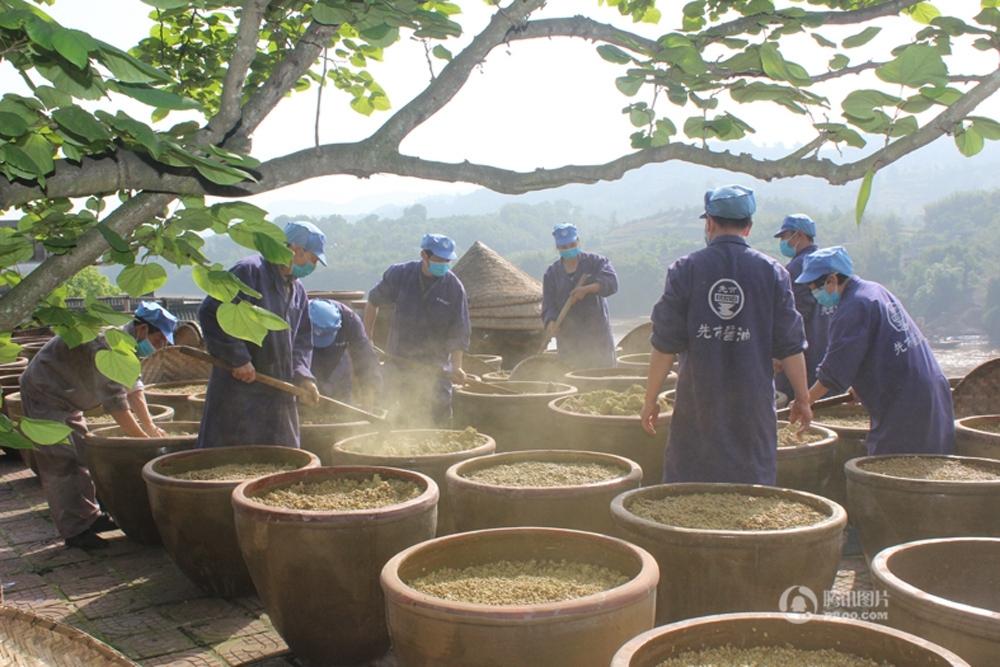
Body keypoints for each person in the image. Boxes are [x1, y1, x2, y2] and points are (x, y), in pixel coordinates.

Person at [640, 185, 813, 485]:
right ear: (749, 226)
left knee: (690, 494)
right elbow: (791, 346)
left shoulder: (685, 270)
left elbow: (664, 344)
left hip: (698, 409)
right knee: (750, 494)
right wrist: (803, 399)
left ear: (709, 222)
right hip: (752, 411)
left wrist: (650, 399)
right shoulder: (773, 273)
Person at [19, 301, 178, 549]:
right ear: (144, 330)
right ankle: (75, 531)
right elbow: (116, 404)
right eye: (160, 340)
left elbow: (134, 390)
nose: (161, 346)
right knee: (62, 461)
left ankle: (89, 517)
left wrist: (150, 428)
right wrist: (142, 440)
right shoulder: (106, 344)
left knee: (83, 456)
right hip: (45, 392)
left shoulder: (127, 344)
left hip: (68, 398)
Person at [794, 246, 954, 455]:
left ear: (832, 280)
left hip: (905, 400)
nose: (814, 293)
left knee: (893, 466)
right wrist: (861, 384)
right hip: (926, 387)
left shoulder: (853, 306)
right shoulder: (874, 290)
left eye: (814, 287)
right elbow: (877, 347)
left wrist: (804, 401)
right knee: (929, 459)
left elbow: (833, 371)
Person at [197, 221, 323, 449]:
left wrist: (304, 376)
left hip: (279, 392)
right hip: (240, 390)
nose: (312, 266)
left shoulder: (297, 290)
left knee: (281, 459)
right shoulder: (249, 271)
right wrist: (238, 358)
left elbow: (302, 341)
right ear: (295, 249)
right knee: (234, 457)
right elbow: (211, 312)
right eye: (313, 259)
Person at [364, 234, 470, 427]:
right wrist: (367, 339)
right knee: (389, 413)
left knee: (438, 418)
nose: (444, 264)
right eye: (439, 260)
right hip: (397, 361)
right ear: (424, 255)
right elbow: (373, 301)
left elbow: (459, 332)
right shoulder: (400, 275)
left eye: (447, 260)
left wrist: (457, 366)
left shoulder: (454, 288)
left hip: (435, 368)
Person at [541, 223, 619, 369]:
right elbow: (548, 304)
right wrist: (551, 321)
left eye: (571, 244)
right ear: (558, 248)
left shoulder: (596, 262)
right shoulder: (552, 273)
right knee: (571, 375)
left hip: (596, 334)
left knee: (601, 376)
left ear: (578, 242)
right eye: (564, 247)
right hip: (569, 339)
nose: (568, 249)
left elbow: (612, 283)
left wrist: (587, 289)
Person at [773, 213, 831, 401]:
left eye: (784, 237)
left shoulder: (797, 268)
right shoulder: (828, 263)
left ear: (798, 235)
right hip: (827, 352)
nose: (783, 242)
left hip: (803, 357)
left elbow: (792, 318)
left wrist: (779, 354)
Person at [308, 298, 382, 406]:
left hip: (338, 377)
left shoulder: (349, 320)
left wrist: (370, 389)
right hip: (307, 373)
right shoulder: (296, 318)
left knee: (342, 407)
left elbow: (365, 357)